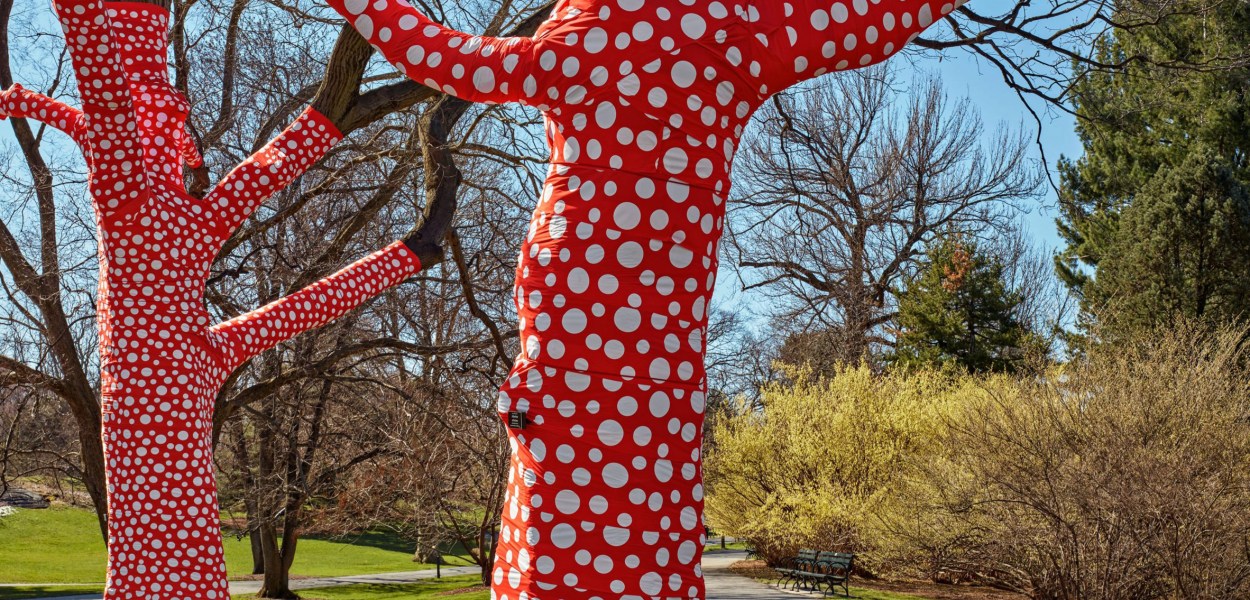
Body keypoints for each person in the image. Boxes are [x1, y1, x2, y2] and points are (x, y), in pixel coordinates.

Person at [321, 0, 963, 597]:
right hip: (659, 345)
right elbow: (871, 19)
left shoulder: (583, 39)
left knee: (559, 504)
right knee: (645, 501)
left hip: (575, 312)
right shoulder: (731, 35)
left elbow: (432, 51)